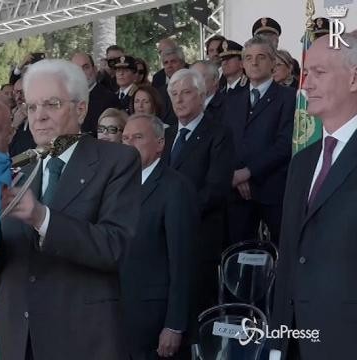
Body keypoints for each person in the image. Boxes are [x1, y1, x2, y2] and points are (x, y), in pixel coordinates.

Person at [0, 59, 141, 360]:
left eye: (51, 104)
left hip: (81, 339)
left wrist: (40, 217)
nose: (40, 117)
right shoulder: (16, 172)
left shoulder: (117, 161)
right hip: (18, 341)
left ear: (80, 109)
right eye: (32, 107)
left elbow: (114, 247)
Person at [269, 33, 357, 360]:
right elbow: (290, 254)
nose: (306, 84)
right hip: (297, 342)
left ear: (354, 79)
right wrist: (278, 343)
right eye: (305, 73)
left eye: (319, 72)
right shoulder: (303, 162)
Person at [161, 68, 234, 343]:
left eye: (186, 93)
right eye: (174, 94)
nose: (179, 100)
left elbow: (216, 188)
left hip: (200, 237)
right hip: (165, 239)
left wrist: (177, 214)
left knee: (196, 317)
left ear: (202, 96)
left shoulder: (218, 133)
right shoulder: (166, 135)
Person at [121, 114, 198, 360]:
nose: (130, 144)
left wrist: (174, 324)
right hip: (118, 315)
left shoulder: (175, 188)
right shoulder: (116, 186)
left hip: (154, 321)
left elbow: (182, 260)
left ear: (160, 144)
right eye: (125, 138)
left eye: (138, 137)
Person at [222, 36, 296, 246]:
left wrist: (249, 171)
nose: (254, 63)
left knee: (282, 250)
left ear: (273, 62)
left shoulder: (289, 98)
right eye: (248, 58)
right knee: (240, 255)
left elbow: (284, 145)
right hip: (238, 191)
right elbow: (227, 142)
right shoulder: (231, 100)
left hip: (274, 191)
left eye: (261, 57)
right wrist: (239, 174)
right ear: (243, 63)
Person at [71, 52, 120, 137]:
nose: (81, 73)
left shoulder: (109, 99)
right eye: (76, 69)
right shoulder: (66, 99)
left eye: (85, 67)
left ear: (94, 70)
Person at [9, 78, 36, 156]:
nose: (18, 97)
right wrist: (14, 126)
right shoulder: (10, 116)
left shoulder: (43, 117)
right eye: (15, 93)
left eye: (22, 92)